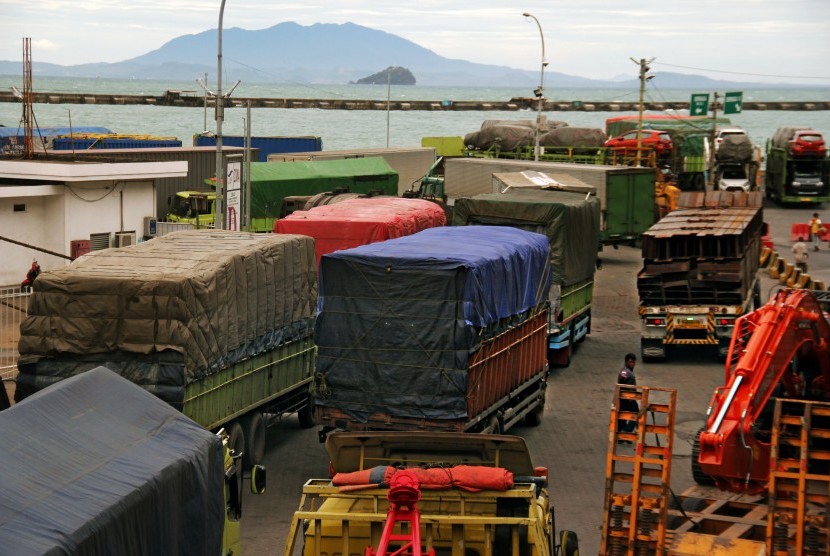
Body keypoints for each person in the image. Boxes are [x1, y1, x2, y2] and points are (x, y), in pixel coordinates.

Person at [616, 353, 639, 442]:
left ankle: (622, 437)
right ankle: (626, 432)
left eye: (633, 362)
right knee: (636, 414)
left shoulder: (628, 371)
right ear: (626, 362)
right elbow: (622, 378)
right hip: (627, 398)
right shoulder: (625, 371)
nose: (632, 364)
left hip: (626, 397)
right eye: (630, 362)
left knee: (623, 416)